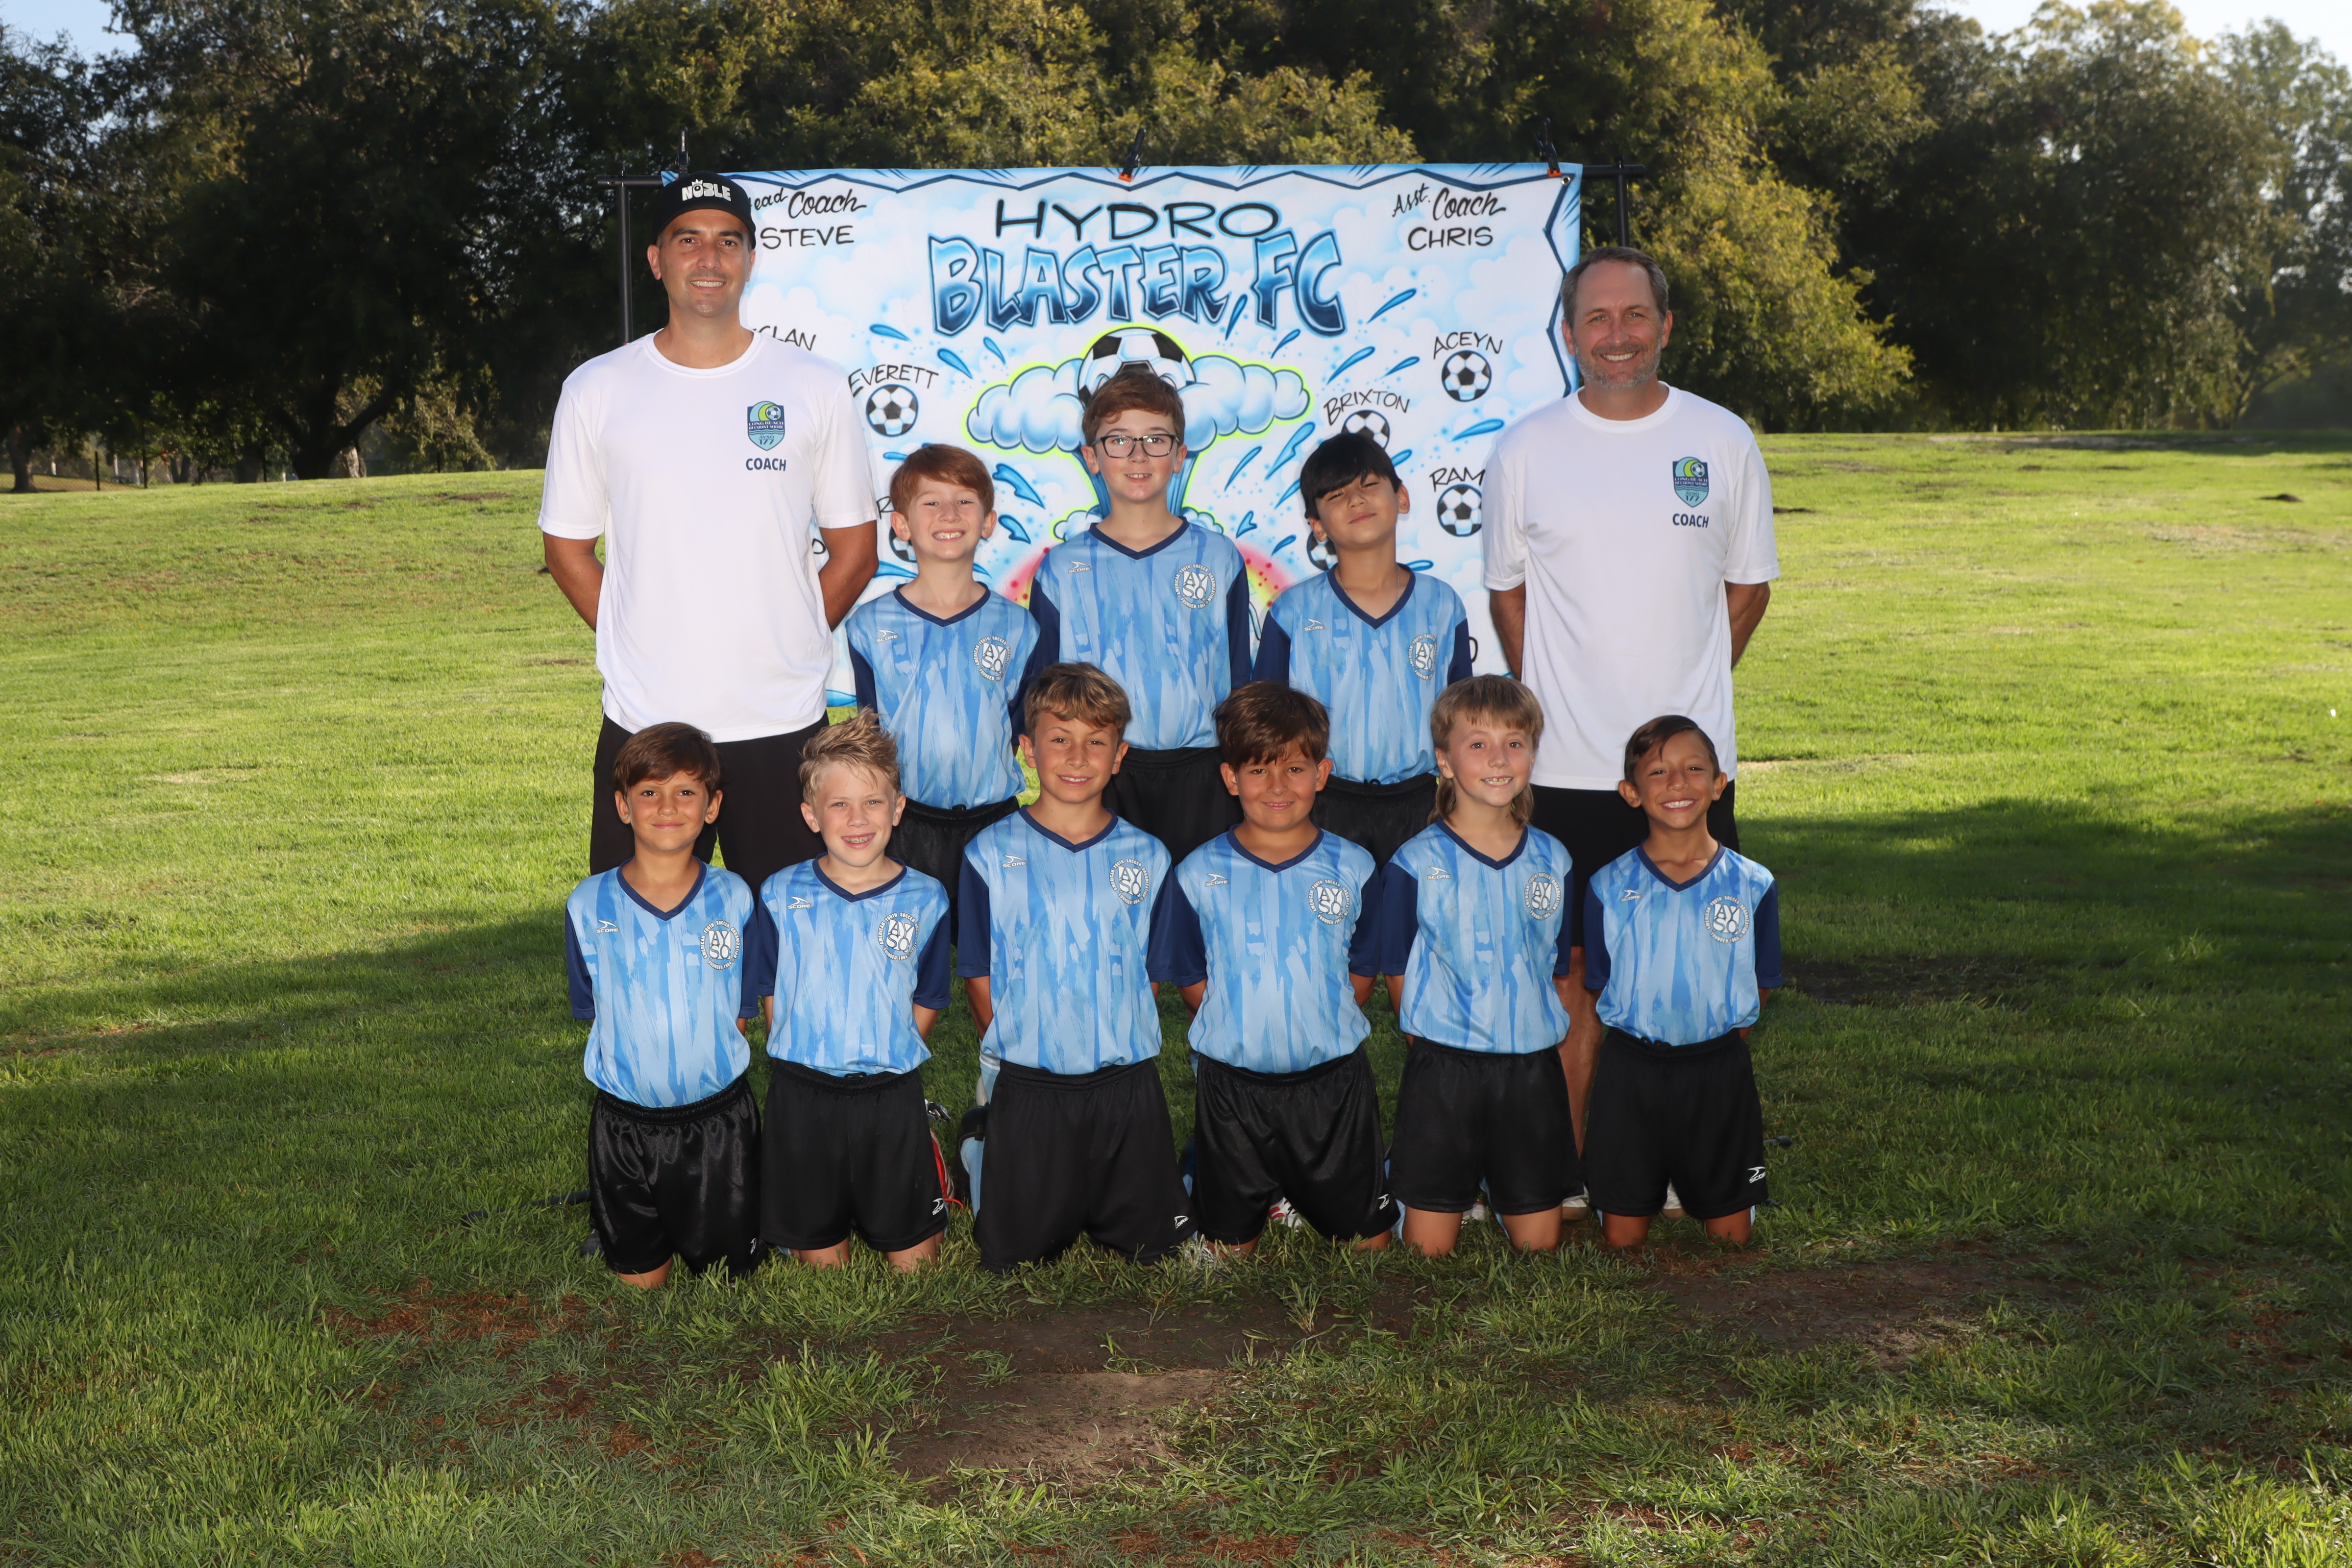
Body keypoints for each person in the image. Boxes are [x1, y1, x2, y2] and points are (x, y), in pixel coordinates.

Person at [1480, 244, 1779, 1156]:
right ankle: (1576, 1168)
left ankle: (1696, 1165)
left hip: (1687, 778)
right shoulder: (1525, 448)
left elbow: (1749, 588)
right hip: (1568, 771)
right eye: (1597, 319)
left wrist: (1681, 712)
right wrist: (1563, 698)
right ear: (1569, 335)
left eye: (1635, 315)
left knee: (1706, 971)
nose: (1618, 335)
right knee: (1576, 978)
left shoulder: (1722, 439)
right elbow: (1507, 594)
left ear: (1666, 325)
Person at [539, 171, 880, 895]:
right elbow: (567, 549)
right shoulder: (597, 388)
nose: (709, 259)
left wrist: (784, 636)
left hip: (780, 718)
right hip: (646, 718)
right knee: (640, 933)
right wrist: (637, 639)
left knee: (791, 935)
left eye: (728, 242)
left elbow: (855, 551)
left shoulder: (813, 385)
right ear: (656, 259)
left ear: (751, 259)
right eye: (687, 239)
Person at [955, 662, 1193, 1272]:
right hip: (1029, 1081)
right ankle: (983, 1140)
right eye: (1060, 738)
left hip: (1124, 1083)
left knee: (1156, 1249)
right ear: (1027, 749)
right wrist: (1012, 1051)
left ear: (1120, 756)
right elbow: (978, 971)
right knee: (1013, 1257)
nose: (1078, 756)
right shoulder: (988, 852)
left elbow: (1150, 973)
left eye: (1096, 741)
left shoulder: (1148, 855)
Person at [1148, 683, 1396, 1255]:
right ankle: (1222, 1179)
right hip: (1233, 1088)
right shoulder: (1197, 872)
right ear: (1231, 778)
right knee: (1229, 1253)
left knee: (1370, 1246)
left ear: (1322, 773)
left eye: (1295, 768)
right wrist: (1245, 1024)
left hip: (1333, 1084)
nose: (1278, 786)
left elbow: (1361, 973)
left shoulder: (1354, 866)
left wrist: (1314, 1020)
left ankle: (1305, 1187)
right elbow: (1192, 977)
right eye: (1259, 770)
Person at [1366, 676, 1578, 1257]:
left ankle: (1503, 1184)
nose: (1499, 758)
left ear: (1532, 754)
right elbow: (1397, 969)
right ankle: (1428, 1181)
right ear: (1445, 760)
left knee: (1539, 1246)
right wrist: (1426, 1041)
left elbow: (1553, 962)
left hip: (1529, 1066)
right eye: (1478, 743)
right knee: (1427, 1251)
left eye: (1515, 743)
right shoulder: (1414, 861)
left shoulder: (1554, 859)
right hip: (1445, 1066)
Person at [742, 712, 954, 1271]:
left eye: (873, 802)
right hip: (804, 1097)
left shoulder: (927, 898)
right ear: (812, 815)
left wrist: (887, 1052)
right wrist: (805, 1054)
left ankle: (926, 1157)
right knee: (824, 1266)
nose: (857, 819)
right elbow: (770, 990)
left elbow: (930, 996)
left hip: (890, 1094)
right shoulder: (780, 894)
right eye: (839, 804)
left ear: (898, 808)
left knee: (916, 1266)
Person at [1026, 365, 1253, 864]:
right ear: (1091, 457)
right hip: (1100, 773)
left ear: (1179, 455)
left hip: (1203, 774)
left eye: (1155, 439)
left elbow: (1241, 679)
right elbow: (1044, 688)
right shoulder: (1062, 568)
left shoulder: (1218, 557)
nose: (1137, 455)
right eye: (1119, 441)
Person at [563, 723, 761, 1288]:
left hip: (719, 1120)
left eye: (686, 791)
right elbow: (596, 1007)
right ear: (623, 806)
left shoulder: (735, 896)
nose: (667, 806)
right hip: (625, 1123)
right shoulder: (588, 903)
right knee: (641, 1283)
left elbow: (740, 1007)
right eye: (649, 792)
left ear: (712, 805)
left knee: (727, 1278)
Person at [1581, 716, 1782, 1248]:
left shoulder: (1753, 883)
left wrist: (1712, 1038)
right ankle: (1646, 1181)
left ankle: (1706, 1182)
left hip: (1718, 1070)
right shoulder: (1607, 885)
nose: (1677, 782)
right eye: (1658, 771)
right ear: (1631, 792)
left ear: (1719, 784)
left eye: (1694, 769)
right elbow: (1601, 982)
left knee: (1732, 1240)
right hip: (1632, 1070)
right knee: (1623, 1241)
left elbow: (1761, 981)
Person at [845, 444, 1046, 914]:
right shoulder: (869, 626)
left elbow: (1016, 724)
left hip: (995, 821)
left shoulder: (1018, 627)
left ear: (988, 522)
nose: (949, 514)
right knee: (911, 943)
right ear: (902, 525)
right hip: (907, 822)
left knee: (997, 942)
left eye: (965, 501)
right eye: (931, 502)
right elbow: (871, 732)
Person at [1256, 431, 1472, 866]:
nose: (1356, 500)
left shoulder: (1442, 604)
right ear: (1317, 525)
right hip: (1323, 805)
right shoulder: (1293, 611)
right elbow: (1264, 723)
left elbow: (1465, 720)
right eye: (1337, 495)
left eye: (1369, 485)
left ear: (1402, 497)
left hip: (1421, 806)